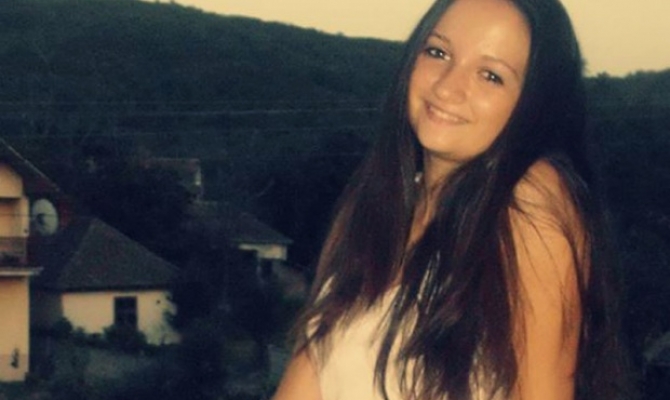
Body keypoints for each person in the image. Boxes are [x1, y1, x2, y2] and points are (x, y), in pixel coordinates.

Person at [274, 0, 629, 399]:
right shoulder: (370, 209)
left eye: (491, 76)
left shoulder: (531, 201)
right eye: (438, 52)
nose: (447, 87)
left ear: (535, 105)